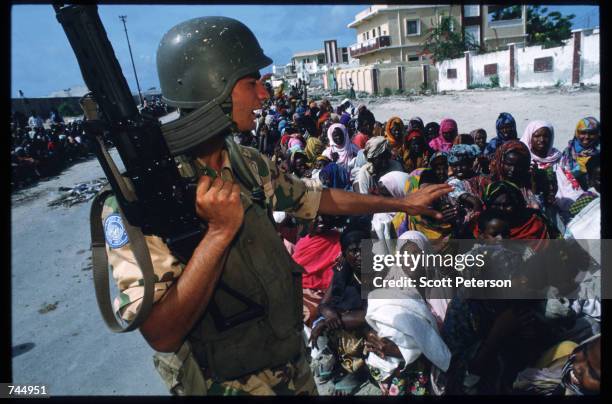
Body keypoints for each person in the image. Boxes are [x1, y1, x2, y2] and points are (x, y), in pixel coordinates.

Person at [100, 16, 452, 396]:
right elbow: (161, 333)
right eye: (252, 83)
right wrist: (218, 234)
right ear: (213, 89)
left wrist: (402, 202)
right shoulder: (142, 201)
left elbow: (315, 197)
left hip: (290, 367)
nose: (264, 95)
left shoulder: (247, 163)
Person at [520, 120, 583, 213]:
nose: (541, 140)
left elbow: (568, 182)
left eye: (546, 136)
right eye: (537, 136)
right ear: (530, 137)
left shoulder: (559, 157)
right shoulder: (523, 158)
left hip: (559, 201)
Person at [559, 117, 600, 191]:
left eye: (591, 133)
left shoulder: (599, 153)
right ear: (577, 133)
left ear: (598, 134)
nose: (587, 137)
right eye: (583, 133)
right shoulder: (568, 152)